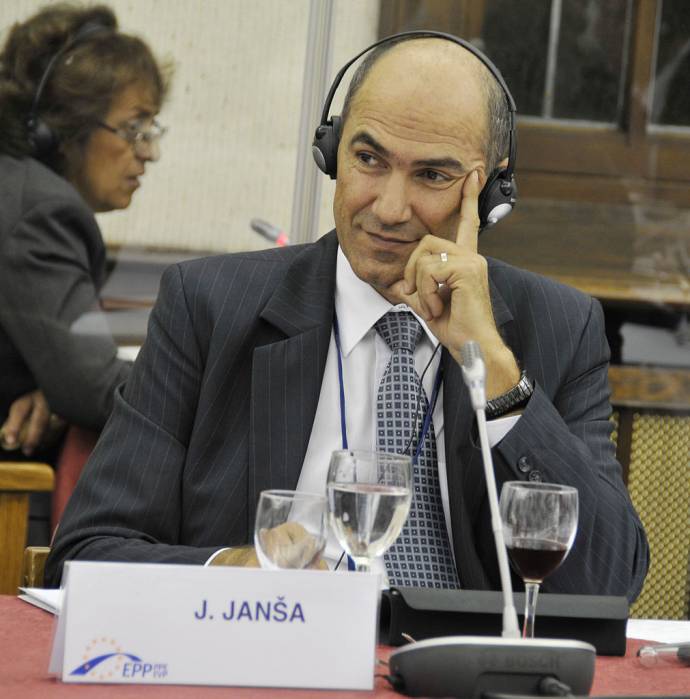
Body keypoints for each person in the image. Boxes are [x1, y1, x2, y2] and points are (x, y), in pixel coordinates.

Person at [46, 33, 648, 601]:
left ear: (489, 195)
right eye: (368, 158)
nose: (388, 207)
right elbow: (87, 555)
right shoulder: (208, 306)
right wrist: (234, 570)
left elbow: (608, 582)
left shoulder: (559, 328)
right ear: (332, 153)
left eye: (432, 175)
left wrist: (493, 370)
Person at [0, 4, 170, 460]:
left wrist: (53, 392)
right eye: (135, 127)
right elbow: (90, 387)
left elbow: (72, 380)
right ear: (63, 126)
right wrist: (207, 382)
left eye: (151, 129)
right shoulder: (40, 210)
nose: (149, 152)